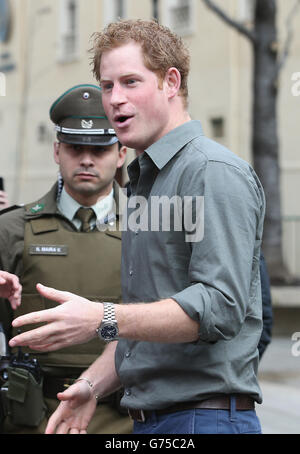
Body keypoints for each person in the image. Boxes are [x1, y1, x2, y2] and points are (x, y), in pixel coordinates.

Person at [9, 20, 265, 435]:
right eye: (108, 85)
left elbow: (220, 307)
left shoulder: (212, 171)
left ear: (171, 82)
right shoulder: (146, 179)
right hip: (155, 419)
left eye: (130, 81)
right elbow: (147, 321)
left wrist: (101, 318)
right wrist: (91, 385)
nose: (115, 99)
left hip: (203, 418)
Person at [0, 83, 133, 434]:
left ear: (121, 154)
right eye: (75, 148)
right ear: (57, 151)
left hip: (125, 421)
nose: (87, 159)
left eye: (99, 149)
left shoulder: (149, 230)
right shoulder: (11, 229)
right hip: (33, 416)